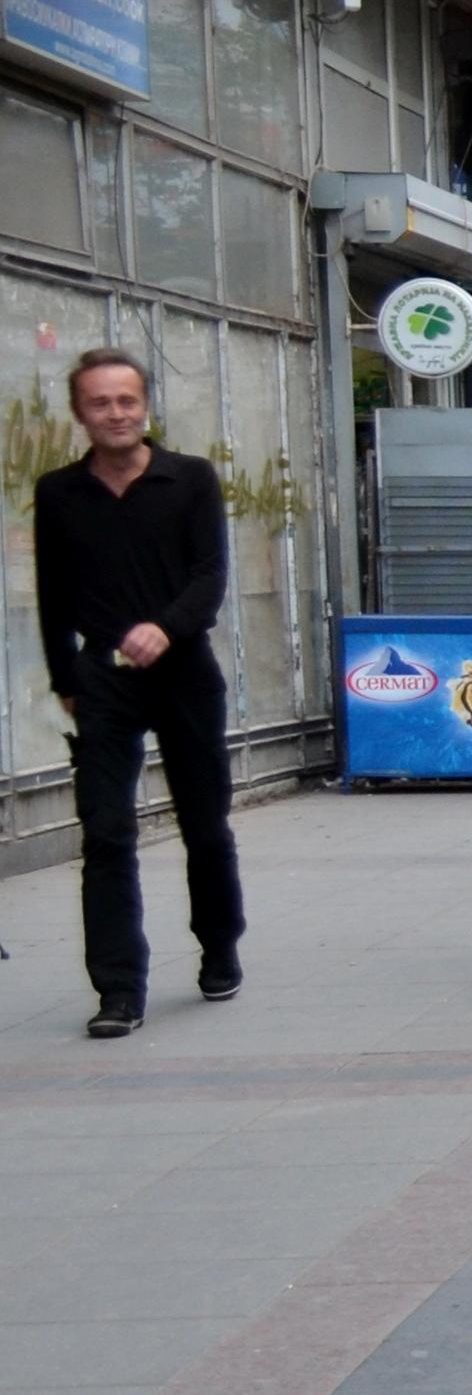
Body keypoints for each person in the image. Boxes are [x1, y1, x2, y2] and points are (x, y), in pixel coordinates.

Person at [33, 348, 242, 1035]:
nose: (115, 414)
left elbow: (211, 575)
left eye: (126, 400)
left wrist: (165, 627)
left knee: (204, 824)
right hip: (103, 681)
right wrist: (67, 678)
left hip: (184, 673)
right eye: (100, 403)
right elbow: (53, 594)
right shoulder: (59, 493)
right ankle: (119, 988)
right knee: (106, 833)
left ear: (146, 405)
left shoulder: (189, 480)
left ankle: (218, 944)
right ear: (80, 413)